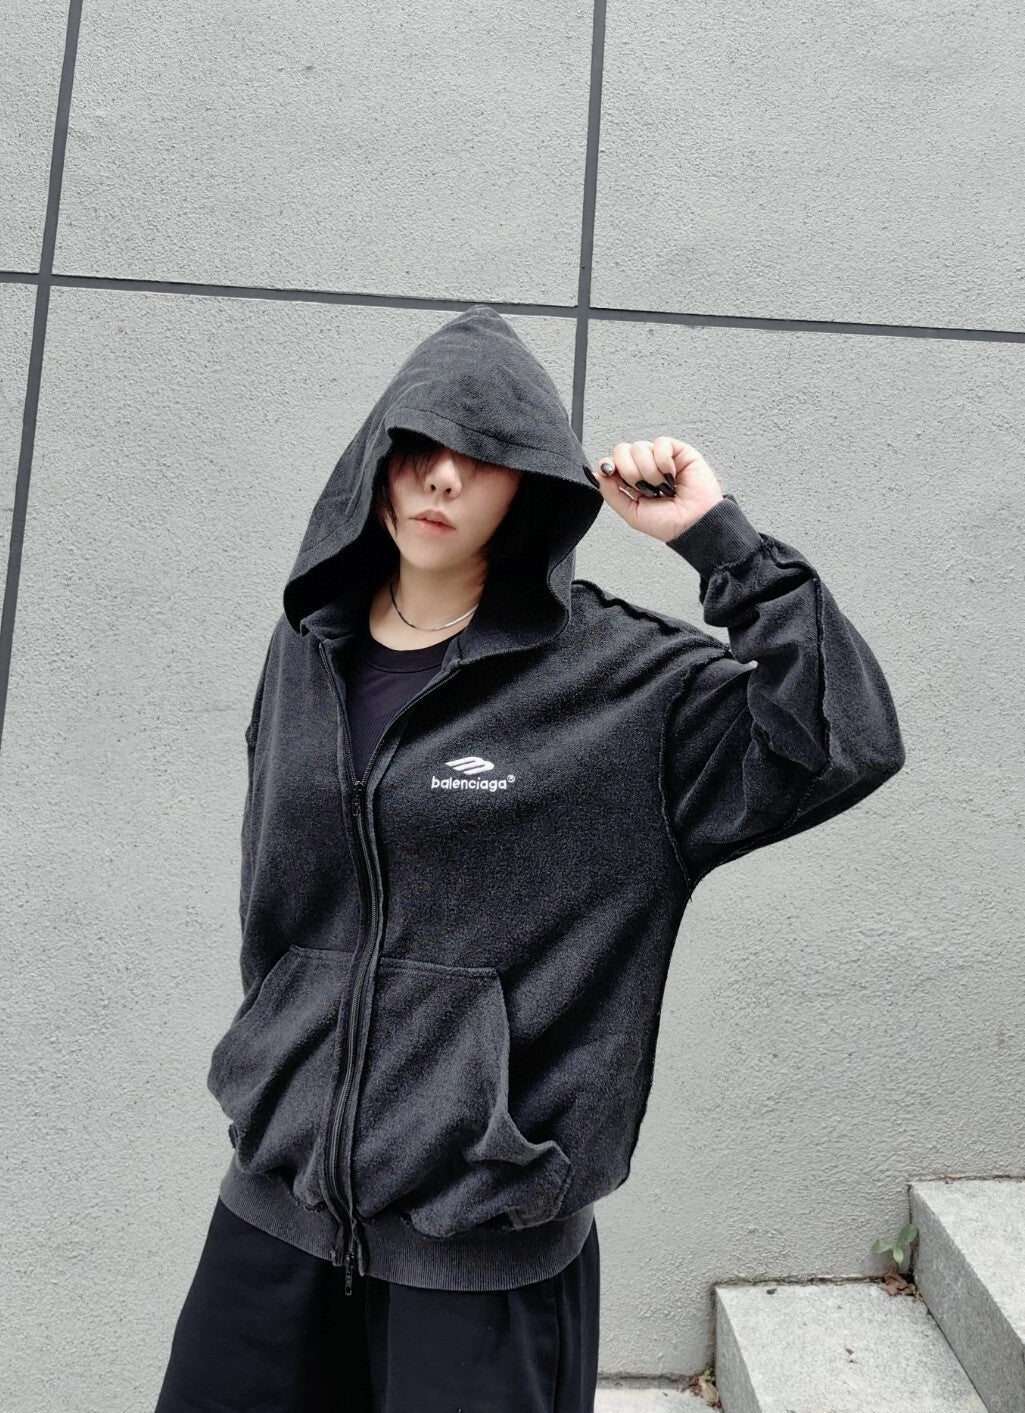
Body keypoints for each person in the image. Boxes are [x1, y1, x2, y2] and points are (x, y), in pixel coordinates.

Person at [154, 303, 905, 1411]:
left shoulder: (622, 688)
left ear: (532, 484)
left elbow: (844, 741)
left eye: (484, 456)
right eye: (418, 447)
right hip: (275, 1216)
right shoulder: (305, 647)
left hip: (480, 1263)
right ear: (374, 460)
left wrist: (720, 541)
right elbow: (277, 900)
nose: (441, 478)